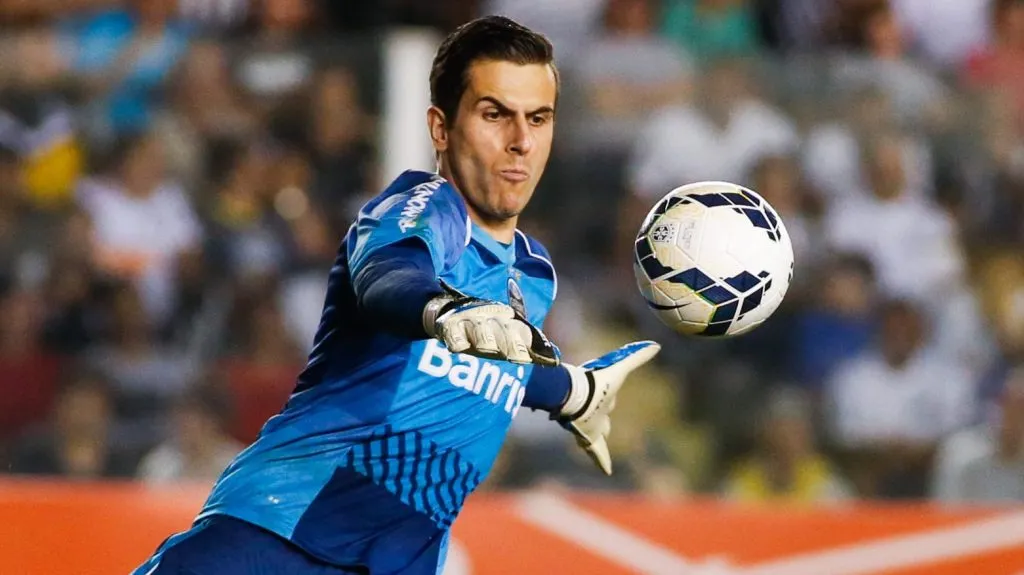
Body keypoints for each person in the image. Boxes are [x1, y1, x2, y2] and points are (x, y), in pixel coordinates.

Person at [132, 15, 659, 575]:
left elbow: (486, 367)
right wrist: (440, 309)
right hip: (282, 538)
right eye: (494, 114)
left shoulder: (533, 273)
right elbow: (390, 279)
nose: (521, 142)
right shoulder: (420, 210)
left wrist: (573, 391)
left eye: (539, 118)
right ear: (440, 129)